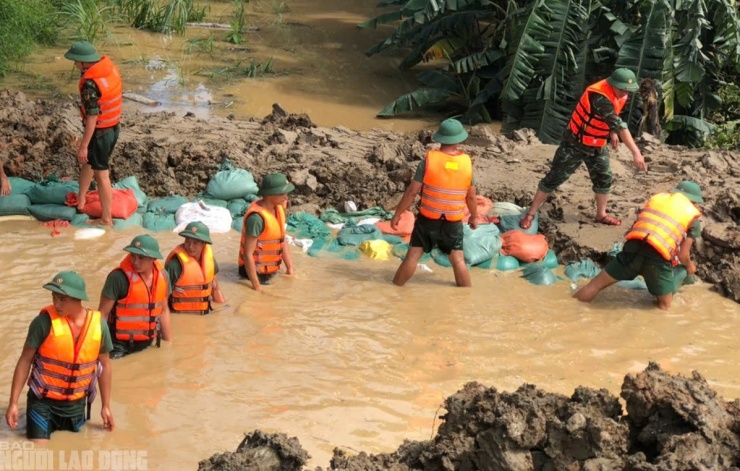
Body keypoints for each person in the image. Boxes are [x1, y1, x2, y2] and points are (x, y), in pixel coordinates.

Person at [519, 68, 648, 230]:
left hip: (597, 144)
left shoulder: (619, 93)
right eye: (622, 89)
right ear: (613, 84)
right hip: (575, 143)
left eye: (627, 91)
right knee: (554, 177)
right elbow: (619, 124)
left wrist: (612, 132)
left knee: (604, 177)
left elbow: (612, 118)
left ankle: (601, 214)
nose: (624, 94)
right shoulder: (599, 97)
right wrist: (636, 153)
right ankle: (530, 213)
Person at [5, 271, 114, 442]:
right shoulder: (43, 323)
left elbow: (105, 365)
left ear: (78, 299)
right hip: (42, 403)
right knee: (39, 454)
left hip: (76, 406)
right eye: (54, 297)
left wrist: (106, 406)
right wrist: (13, 402)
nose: (56, 304)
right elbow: (25, 360)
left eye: (62, 299)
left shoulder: (99, 326)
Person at [573, 181, 704, 310]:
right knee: (664, 306)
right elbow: (683, 254)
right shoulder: (692, 216)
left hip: (632, 250)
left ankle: (571, 309)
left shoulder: (658, 200)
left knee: (594, 286)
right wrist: (689, 266)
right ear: (694, 201)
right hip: (657, 259)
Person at [391, 118, 478, 287]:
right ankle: (465, 297)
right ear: (459, 140)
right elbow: (472, 197)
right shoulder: (466, 164)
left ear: (440, 139)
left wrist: (398, 214)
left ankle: (394, 289)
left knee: (413, 256)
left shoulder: (428, 161)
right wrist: (474, 216)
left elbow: (412, 192)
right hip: (452, 222)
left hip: (428, 220)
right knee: (458, 260)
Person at [64, 41, 123, 226]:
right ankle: (81, 199)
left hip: (100, 133)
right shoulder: (108, 68)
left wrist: (83, 145)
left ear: (83, 62)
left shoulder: (90, 84)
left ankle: (106, 219)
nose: (74, 64)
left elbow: (92, 117)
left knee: (101, 174)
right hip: (114, 127)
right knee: (89, 163)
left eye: (76, 61)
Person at [98, 234, 173, 359]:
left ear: (153, 258)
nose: (135, 262)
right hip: (118, 345)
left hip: (147, 343)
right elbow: (102, 314)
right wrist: (100, 350)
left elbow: (164, 311)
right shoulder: (118, 278)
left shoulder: (163, 276)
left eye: (141, 258)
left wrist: (169, 344)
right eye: (132, 256)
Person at [238, 173, 295, 291]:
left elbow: (281, 240)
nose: (286, 197)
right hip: (254, 274)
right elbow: (247, 254)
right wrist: (256, 286)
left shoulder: (278, 208)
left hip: (271, 271)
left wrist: (290, 268)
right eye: (282, 193)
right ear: (270, 195)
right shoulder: (256, 219)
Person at [165, 221, 226, 314]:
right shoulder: (174, 265)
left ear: (204, 244)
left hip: (203, 314)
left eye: (195, 243)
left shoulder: (209, 260)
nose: (190, 247)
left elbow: (216, 289)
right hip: (179, 315)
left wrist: (223, 310)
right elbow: (162, 298)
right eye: (187, 241)